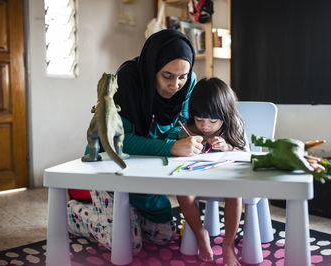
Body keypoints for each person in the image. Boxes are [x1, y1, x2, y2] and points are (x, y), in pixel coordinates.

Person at [67, 29, 205, 254]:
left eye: (183, 77)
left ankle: (130, 217)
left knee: (163, 236)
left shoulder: (188, 82)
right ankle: (73, 214)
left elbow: (181, 125)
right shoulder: (128, 80)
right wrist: (170, 147)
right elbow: (119, 143)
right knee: (129, 244)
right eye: (167, 76)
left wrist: (191, 138)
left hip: (147, 168)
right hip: (109, 167)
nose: (175, 85)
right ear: (152, 70)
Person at [177, 77, 249, 266]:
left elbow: (245, 154)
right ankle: (200, 233)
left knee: (235, 195)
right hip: (195, 178)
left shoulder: (234, 126)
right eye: (199, 119)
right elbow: (176, 154)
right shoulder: (188, 129)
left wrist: (227, 148)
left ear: (225, 115)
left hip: (226, 180)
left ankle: (228, 244)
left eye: (212, 121)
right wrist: (185, 147)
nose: (205, 126)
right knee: (183, 195)